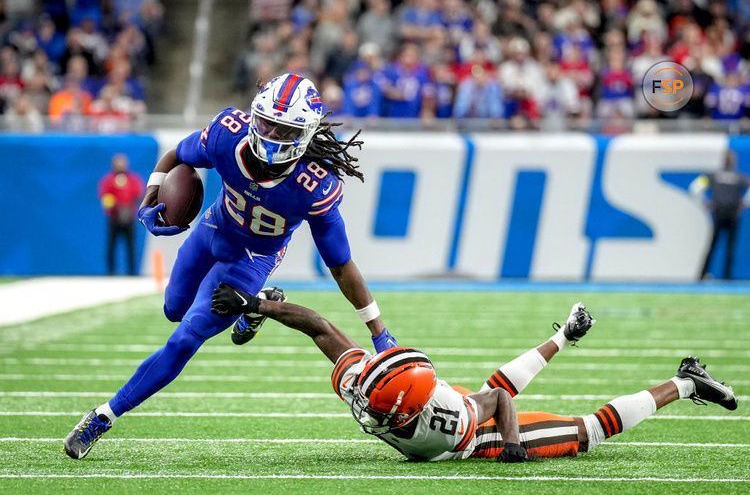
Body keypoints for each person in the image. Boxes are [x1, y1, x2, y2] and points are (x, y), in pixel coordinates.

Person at [63, 73, 398, 459]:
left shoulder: (313, 186)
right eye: (266, 122)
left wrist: (378, 331)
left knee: (184, 338)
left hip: (251, 259)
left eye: (283, 129)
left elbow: (341, 265)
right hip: (212, 230)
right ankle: (251, 317)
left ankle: (103, 416)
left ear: (304, 135)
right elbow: (178, 155)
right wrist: (150, 198)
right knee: (173, 309)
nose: (270, 134)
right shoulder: (227, 134)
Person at [208, 283, 738, 463]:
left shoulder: (376, 394)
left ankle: (686, 380)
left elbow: (320, 327)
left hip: (469, 422)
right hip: (459, 423)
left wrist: (511, 445)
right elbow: (321, 328)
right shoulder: (407, 401)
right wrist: (262, 305)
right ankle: (574, 340)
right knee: (526, 405)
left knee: (581, 433)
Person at [691, 150, 750, 280]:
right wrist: (744, 204)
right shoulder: (739, 177)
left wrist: (704, 203)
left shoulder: (714, 175)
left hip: (718, 213)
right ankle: (727, 278)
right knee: (730, 247)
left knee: (713, 246)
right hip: (732, 214)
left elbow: (695, 188)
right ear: (734, 161)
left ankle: (702, 276)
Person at [97, 154, 144, 275]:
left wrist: (129, 207)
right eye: (118, 163)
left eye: (122, 163)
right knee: (111, 246)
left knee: (131, 247)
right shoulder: (108, 180)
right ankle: (111, 273)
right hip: (114, 217)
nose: (120, 165)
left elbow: (139, 194)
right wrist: (115, 207)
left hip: (129, 217)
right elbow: (104, 196)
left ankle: (132, 273)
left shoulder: (133, 179)